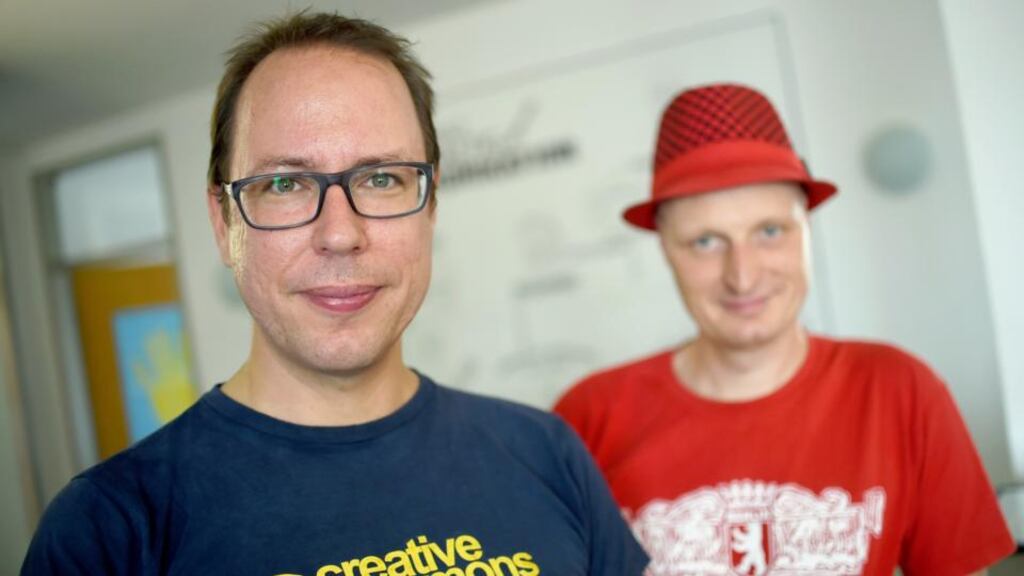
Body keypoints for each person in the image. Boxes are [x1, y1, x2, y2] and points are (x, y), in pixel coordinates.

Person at [21, 12, 648, 576]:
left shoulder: (547, 455)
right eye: (287, 184)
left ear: (429, 207)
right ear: (223, 222)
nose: (340, 234)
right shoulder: (111, 532)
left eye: (381, 178)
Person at [554, 83, 1014, 575]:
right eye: (706, 241)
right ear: (666, 249)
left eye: (770, 231)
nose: (743, 275)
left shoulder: (899, 390)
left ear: (807, 231)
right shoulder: (587, 418)